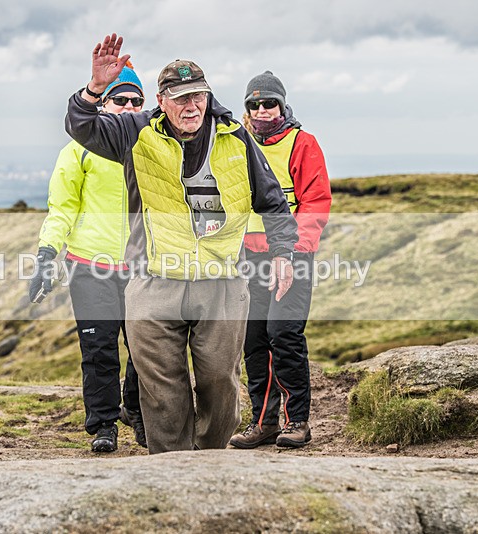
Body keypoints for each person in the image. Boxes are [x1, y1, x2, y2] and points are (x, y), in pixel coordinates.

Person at [65, 34, 299, 454]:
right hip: (154, 280)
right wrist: (95, 88)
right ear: (161, 100)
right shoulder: (136, 132)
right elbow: (81, 125)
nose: (191, 106)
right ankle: (171, 468)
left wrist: (284, 253)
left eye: (198, 96)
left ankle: (209, 461)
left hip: (222, 281)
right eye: (180, 97)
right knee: (160, 386)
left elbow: (273, 199)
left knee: (218, 381)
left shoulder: (236, 139)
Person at [29, 64, 146, 452]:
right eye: (120, 99)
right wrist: (48, 253)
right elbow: (61, 208)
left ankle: (138, 411)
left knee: (147, 348)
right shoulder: (78, 149)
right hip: (89, 265)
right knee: (99, 349)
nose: (129, 106)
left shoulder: (152, 149)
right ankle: (104, 426)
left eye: (136, 100)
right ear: (103, 103)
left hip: (144, 267)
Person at [229, 71, 331, 449]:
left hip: (293, 257)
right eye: (254, 104)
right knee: (254, 340)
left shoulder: (303, 143)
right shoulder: (237, 143)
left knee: (284, 334)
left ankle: (297, 421)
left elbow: (316, 201)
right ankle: (263, 422)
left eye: (269, 103)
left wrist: (291, 252)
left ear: (283, 105)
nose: (262, 110)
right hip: (249, 258)